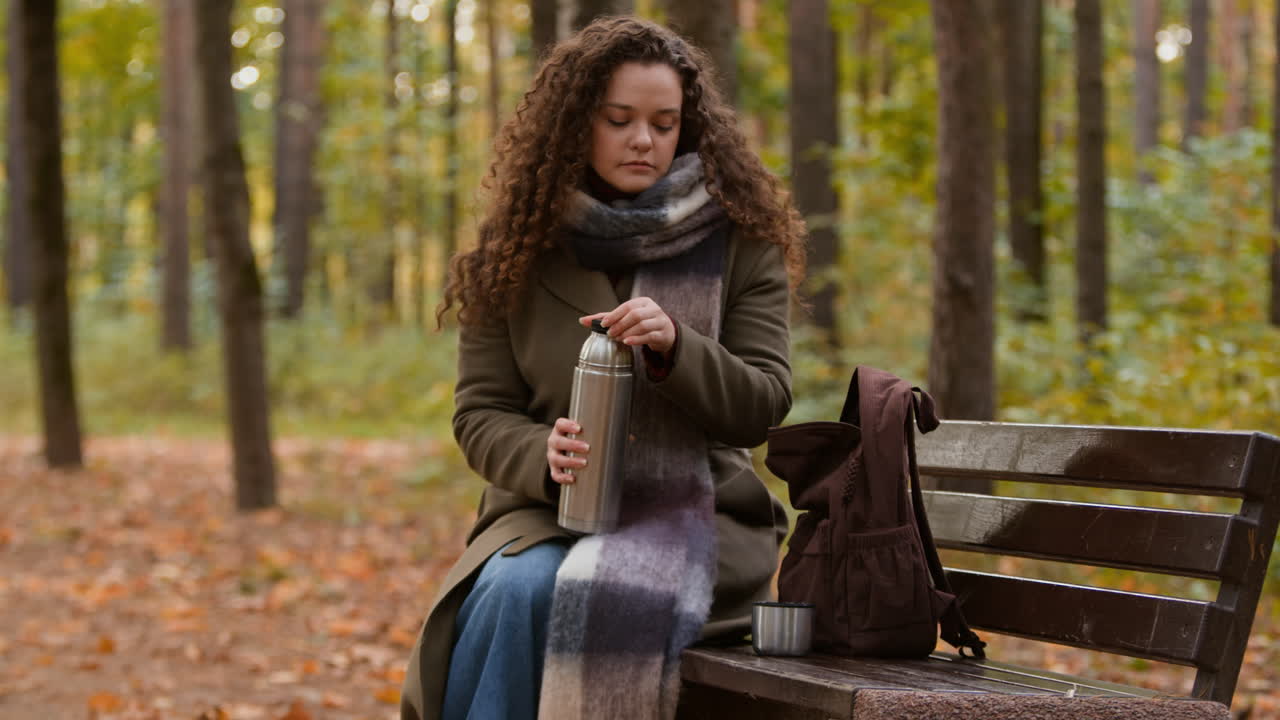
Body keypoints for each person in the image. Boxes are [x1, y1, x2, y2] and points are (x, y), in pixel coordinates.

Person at [400, 15, 807, 720]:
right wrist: (542, 452)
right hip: (548, 515)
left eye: (664, 122)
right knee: (516, 590)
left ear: (690, 127)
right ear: (578, 124)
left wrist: (679, 349)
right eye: (618, 119)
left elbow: (762, 404)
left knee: (600, 599)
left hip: (696, 518)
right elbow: (480, 413)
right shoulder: (518, 248)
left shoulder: (741, 238)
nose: (643, 140)